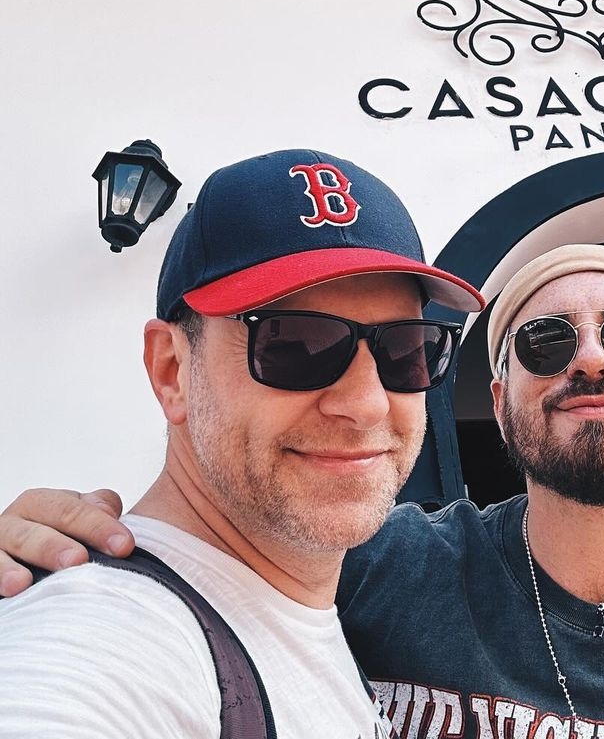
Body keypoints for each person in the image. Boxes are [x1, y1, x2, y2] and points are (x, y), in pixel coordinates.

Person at [0, 245, 604, 739]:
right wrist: (35, 548)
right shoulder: (370, 566)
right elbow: (192, 566)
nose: (590, 360)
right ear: (499, 397)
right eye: (545, 342)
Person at [0, 148, 484, 738]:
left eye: (406, 348)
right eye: (295, 343)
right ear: (172, 370)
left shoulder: (329, 607)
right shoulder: (106, 635)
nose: (367, 404)